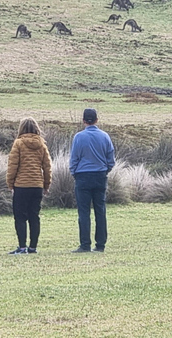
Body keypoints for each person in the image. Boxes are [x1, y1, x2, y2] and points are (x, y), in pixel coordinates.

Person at [69, 108, 115, 253]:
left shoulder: (78, 137)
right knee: (100, 210)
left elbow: (74, 158)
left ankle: (85, 244)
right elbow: (111, 160)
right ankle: (100, 244)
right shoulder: (105, 136)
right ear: (96, 120)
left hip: (83, 176)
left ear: (83, 120)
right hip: (100, 175)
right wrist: (105, 170)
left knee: (83, 212)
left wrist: (74, 172)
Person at [6, 117, 52, 254]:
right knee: (34, 216)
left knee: (20, 217)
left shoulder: (18, 143)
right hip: (37, 185)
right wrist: (46, 184)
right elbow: (47, 167)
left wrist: (10, 183)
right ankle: (33, 247)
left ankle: (22, 247)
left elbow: (13, 165)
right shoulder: (42, 145)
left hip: (21, 185)